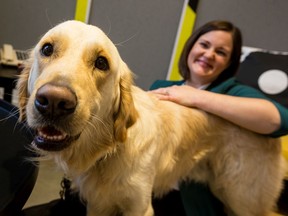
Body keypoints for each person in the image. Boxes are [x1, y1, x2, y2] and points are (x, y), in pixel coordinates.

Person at [150, 20, 288, 215]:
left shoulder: (232, 91)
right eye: (204, 45)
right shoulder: (161, 86)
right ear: (191, 47)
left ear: (229, 62)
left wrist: (196, 96)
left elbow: (278, 120)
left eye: (221, 52)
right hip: (153, 197)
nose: (209, 54)